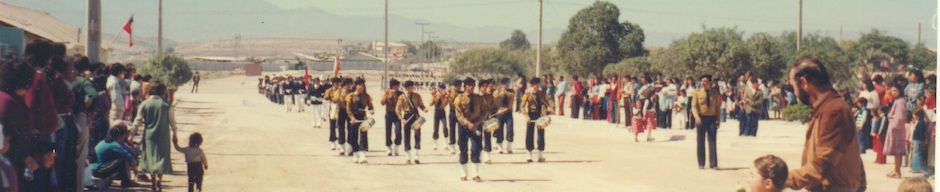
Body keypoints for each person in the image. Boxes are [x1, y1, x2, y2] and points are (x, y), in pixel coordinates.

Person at [784, 56, 866, 191]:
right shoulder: (824, 107)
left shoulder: (833, 111)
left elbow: (822, 165)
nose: (795, 93)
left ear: (803, 82)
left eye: (794, 86)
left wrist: (782, 179)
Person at [131, 81, 178, 191]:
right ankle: (159, 180)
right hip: (163, 135)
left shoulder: (144, 104)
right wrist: (175, 134)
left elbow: (137, 121)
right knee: (161, 158)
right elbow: (172, 122)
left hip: (149, 136)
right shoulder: (166, 104)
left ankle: (153, 182)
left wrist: (132, 134)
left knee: (151, 159)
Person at [454, 78, 485, 181]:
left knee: (476, 148)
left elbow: (484, 112)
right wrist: (467, 123)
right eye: (469, 85)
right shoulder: (459, 98)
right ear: (465, 87)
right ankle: (463, 173)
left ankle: (475, 174)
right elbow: (458, 114)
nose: (471, 87)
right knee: (463, 148)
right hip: (464, 126)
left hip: (476, 125)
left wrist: (478, 122)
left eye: (473, 85)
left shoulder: (479, 98)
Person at [692, 74, 721, 169]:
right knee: (700, 141)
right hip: (701, 118)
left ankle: (713, 164)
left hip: (712, 118)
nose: (703, 83)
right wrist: (696, 117)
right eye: (702, 81)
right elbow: (694, 106)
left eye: (705, 81)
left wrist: (718, 119)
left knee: (712, 140)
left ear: (710, 82)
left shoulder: (715, 92)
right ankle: (701, 163)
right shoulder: (697, 93)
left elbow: (717, 107)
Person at [396, 80, 427, 164]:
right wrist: (402, 119)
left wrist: (424, 109)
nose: (410, 89)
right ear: (405, 88)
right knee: (407, 136)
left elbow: (421, 105)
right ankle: (407, 156)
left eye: (411, 87)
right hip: (407, 117)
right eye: (408, 87)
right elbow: (398, 110)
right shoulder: (402, 97)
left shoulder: (417, 96)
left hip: (416, 116)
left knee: (417, 134)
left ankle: (416, 155)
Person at [346, 79, 374, 164]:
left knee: (363, 136)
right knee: (354, 136)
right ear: (356, 86)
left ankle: (363, 156)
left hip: (363, 117)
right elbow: (349, 109)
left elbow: (370, 106)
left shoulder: (366, 96)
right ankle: (355, 154)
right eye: (359, 85)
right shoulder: (350, 96)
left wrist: (371, 110)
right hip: (354, 118)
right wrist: (352, 118)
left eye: (362, 85)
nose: (361, 87)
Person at [885, 85, 909, 179]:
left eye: (895, 90)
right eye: (892, 90)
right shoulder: (897, 100)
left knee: (898, 150)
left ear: (900, 90)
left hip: (896, 128)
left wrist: (893, 126)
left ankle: (897, 171)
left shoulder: (901, 101)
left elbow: (899, 116)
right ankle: (896, 170)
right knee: (896, 151)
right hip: (895, 126)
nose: (893, 92)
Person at [381, 79, 403, 156]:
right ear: (391, 86)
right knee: (388, 131)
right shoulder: (387, 92)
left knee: (398, 131)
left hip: (397, 114)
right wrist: (388, 96)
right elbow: (382, 103)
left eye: (397, 86)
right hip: (389, 114)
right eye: (395, 86)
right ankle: (389, 147)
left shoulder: (400, 94)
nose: (396, 87)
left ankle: (396, 147)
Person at [477, 79, 497, 164]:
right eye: (483, 86)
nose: (485, 88)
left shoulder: (490, 96)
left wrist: (493, 114)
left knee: (487, 137)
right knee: (478, 137)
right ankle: (478, 154)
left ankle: (487, 156)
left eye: (486, 86)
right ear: (479, 87)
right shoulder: (476, 97)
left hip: (487, 118)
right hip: (478, 119)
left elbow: (493, 107)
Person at [495, 78, 515, 154]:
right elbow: (495, 99)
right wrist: (500, 92)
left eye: (508, 83)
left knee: (510, 129)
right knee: (499, 129)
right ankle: (500, 146)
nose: (506, 85)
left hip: (508, 112)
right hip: (500, 113)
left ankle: (509, 147)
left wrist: (505, 92)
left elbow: (512, 95)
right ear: (501, 84)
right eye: (505, 84)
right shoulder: (497, 91)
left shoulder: (511, 91)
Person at [323, 78, 344, 152]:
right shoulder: (329, 91)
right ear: (333, 83)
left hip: (340, 110)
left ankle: (340, 142)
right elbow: (325, 99)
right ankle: (332, 141)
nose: (338, 84)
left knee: (340, 127)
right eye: (336, 83)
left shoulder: (342, 90)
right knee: (332, 127)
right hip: (332, 110)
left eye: (339, 83)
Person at [429, 84, 449, 150]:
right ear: (439, 88)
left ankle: (445, 143)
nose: (442, 90)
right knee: (436, 128)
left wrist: (445, 97)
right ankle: (435, 143)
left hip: (442, 112)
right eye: (441, 88)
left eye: (443, 89)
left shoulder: (445, 95)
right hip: (436, 112)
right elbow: (430, 103)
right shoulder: (435, 94)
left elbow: (445, 104)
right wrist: (434, 97)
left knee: (445, 127)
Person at [446, 80, 463, 154]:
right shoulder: (450, 92)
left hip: (460, 114)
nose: (459, 87)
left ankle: (460, 145)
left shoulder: (462, 93)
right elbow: (450, 102)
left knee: (461, 130)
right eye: (458, 86)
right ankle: (452, 146)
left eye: (460, 85)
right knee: (452, 130)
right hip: (453, 112)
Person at [910, 109, 928, 174]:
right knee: (916, 154)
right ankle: (915, 167)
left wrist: (922, 140)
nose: (913, 116)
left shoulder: (921, 122)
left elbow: (921, 132)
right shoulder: (920, 122)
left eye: (914, 114)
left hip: (918, 140)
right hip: (917, 140)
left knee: (916, 154)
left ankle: (916, 168)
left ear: (918, 115)